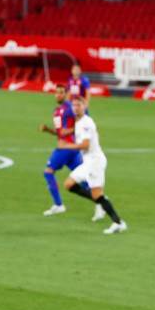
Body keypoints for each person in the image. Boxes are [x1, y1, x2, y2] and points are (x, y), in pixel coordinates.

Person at [60, 97, 127, 234]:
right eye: (74, 105)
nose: (76, 108)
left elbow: (85, 145)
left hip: (94, 162)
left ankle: (118, 223)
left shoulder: (86, 123)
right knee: (69, 184)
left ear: (84, 106)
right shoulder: (79, 122)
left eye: (79, 105)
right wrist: (67, 132)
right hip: (88, 162)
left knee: (96, 194)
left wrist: (67, 146)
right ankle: (101, 201)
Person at [39, 84, 105, 221]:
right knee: (85, 180)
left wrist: (69, 131)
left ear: (66, 94)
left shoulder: (70, 107)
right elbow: (60, 132)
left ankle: (58, 205)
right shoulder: (57, 111)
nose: (58, 95)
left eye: (61, 92)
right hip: (71, 150)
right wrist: (48, 130)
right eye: (57, 92)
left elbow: (83, 123)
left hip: (66, 148)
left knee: (48, 172)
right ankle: (100, 203)